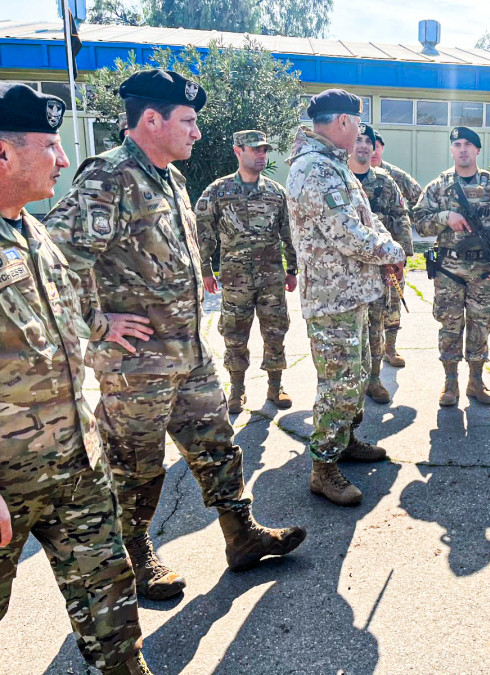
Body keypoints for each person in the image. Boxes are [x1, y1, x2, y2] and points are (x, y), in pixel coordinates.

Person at [44, 69, 306, 601]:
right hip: (136, 363)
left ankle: (241, 535)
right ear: (150, 120)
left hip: (187, 350)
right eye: (187, 121)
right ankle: (136, 553)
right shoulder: (108, 178)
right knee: (135, 464)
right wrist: (99, 324)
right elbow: (51, 264)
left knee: (216, 441)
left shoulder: (171, 177)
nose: (197, 133)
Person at [0, 83, 153, 674]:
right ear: (4, 155)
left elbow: (59, 316)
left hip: (74, 466)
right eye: (50, 145)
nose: (64, 160)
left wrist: (100, 321)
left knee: (110, 598)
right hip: (7, 485)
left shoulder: (32, 232)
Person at [286, 89, 406, 506]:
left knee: (353, 378)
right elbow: (347, 233)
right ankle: (324, 468)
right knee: (339, 384)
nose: (359, 132)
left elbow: (366, 221)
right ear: (341, 123)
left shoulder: (333, 166)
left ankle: (346, 440)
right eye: (356, 123)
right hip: (331, 299)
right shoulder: (316, 170)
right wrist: (392, 252)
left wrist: (389, 244)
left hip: (349, 294)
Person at [412, 126, 490, 406]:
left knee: (480, 325)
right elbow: (419, 223)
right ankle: (450, 383)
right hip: (449, 269)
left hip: (484, 271)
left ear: (477, 150)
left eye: (468, 144)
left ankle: (476, 381)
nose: (462, 149)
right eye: (457, 144)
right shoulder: (438, 187)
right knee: (449, 326)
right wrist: (445, 216)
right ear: (451, 149)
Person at [196, 129, 297, 413]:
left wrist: (293, 269)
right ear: (238, 151)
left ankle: (276, 385)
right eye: (255, 150)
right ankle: (237, 388)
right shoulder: (219, 190)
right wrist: (206, 269)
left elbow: (290, 234)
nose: (262, 155)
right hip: (234, 278)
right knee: (234, 334)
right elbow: (203, 231)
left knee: (275, 331)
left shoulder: (277, 193)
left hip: (272, 279)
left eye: (264, 150)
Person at [348, 123, 413, 403]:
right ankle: (350, 382)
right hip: (346, 268)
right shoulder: (341, 178)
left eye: (368, 141)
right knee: (348, 327)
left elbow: (401, 217)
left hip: (379, 268)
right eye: (358, 139)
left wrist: (402, 257)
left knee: (376, 322)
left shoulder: (385, 181)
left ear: (375, 148)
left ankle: (374, 379)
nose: (363, 145)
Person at [372, 131, 421, 368]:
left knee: (393, 301)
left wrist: (404, 248)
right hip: (365, 253)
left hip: (392, 255)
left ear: (381, 148)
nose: (372, 150)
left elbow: (418, 198)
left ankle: (390, 348)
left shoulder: (394, 176)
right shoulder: (348, 173)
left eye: (376, 146)